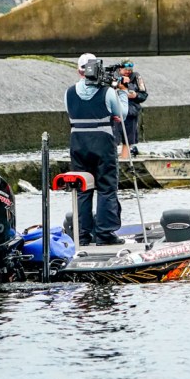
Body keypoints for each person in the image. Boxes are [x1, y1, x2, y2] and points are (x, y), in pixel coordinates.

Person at [66, 53, 129, 245]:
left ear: (79, 71)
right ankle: (104, 234)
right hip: (103, 143)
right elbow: (122, 115)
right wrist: (122, 92)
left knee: (82, 188)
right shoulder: (107, 92)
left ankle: (82, 235)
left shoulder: (68, 93)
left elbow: (72, 113)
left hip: (78, 143)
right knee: (106, 188)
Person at [116, 58, 148, 158]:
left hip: (131, 112)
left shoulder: (136, 77)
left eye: (130, 70)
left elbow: (144, 95)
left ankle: (124, 159)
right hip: (116, 112)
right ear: (120, 69)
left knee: (128, 139)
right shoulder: (114, 76)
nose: (128, 72)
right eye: (125, 70)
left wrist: (135, 95)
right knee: (114, 137)